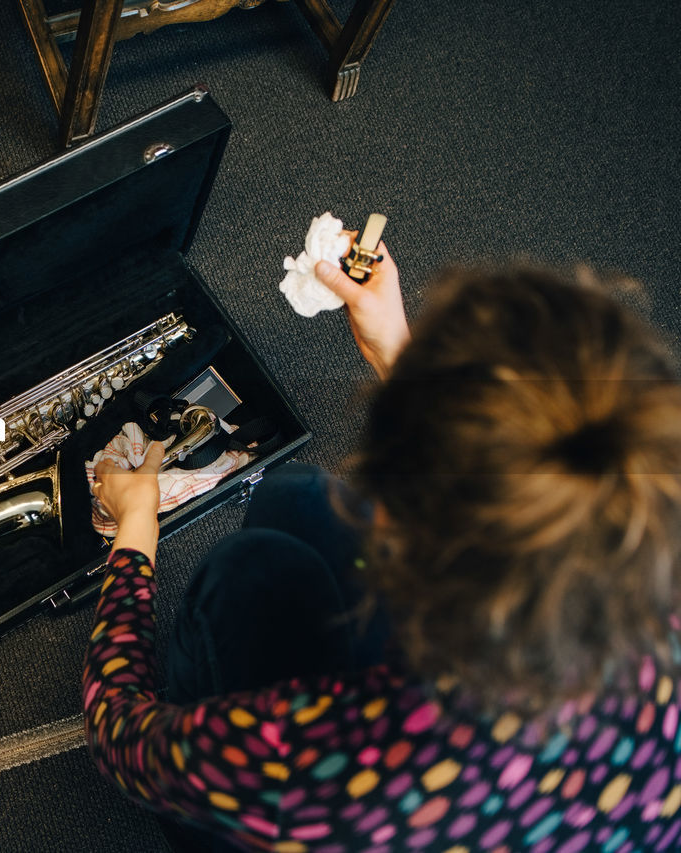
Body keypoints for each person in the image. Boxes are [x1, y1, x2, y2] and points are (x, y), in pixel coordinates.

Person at [83, 244, 681, 851]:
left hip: (378, 802)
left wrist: (136, 529)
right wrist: (393, 347)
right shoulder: (643, 530)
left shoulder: (360, 761)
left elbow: (118, 737)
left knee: (239, 573)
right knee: (298, 494)